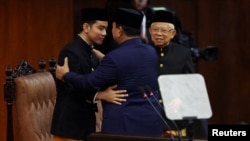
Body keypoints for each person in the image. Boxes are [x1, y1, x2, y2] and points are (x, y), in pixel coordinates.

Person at [56, 8, 163, 137]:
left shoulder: (115, 57)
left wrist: (67, 75)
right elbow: (129, 67)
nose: (106, 33)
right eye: (101, 28)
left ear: (119, 30)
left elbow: (90, 82)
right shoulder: (151, 51)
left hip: (124, 126)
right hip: (151, 122)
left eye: (109, 28)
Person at [50, 8, 127, 141]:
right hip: (70, 126)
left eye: (106, 29)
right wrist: (101, 95)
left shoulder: (90, 51)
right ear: (86, 27)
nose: (104, 33)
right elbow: (71, 87)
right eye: (100, 28)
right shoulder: (72, 51)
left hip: (84, 124)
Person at [149, 10, 207, 138]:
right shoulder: (143, 51)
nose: (158, 34)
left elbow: (191, 84)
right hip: (147, 113)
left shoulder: (183, 53)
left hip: (173, 117)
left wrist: (181, 98)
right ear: (150, 31)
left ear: (172, 33)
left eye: (163, 31)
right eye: (155, 30)